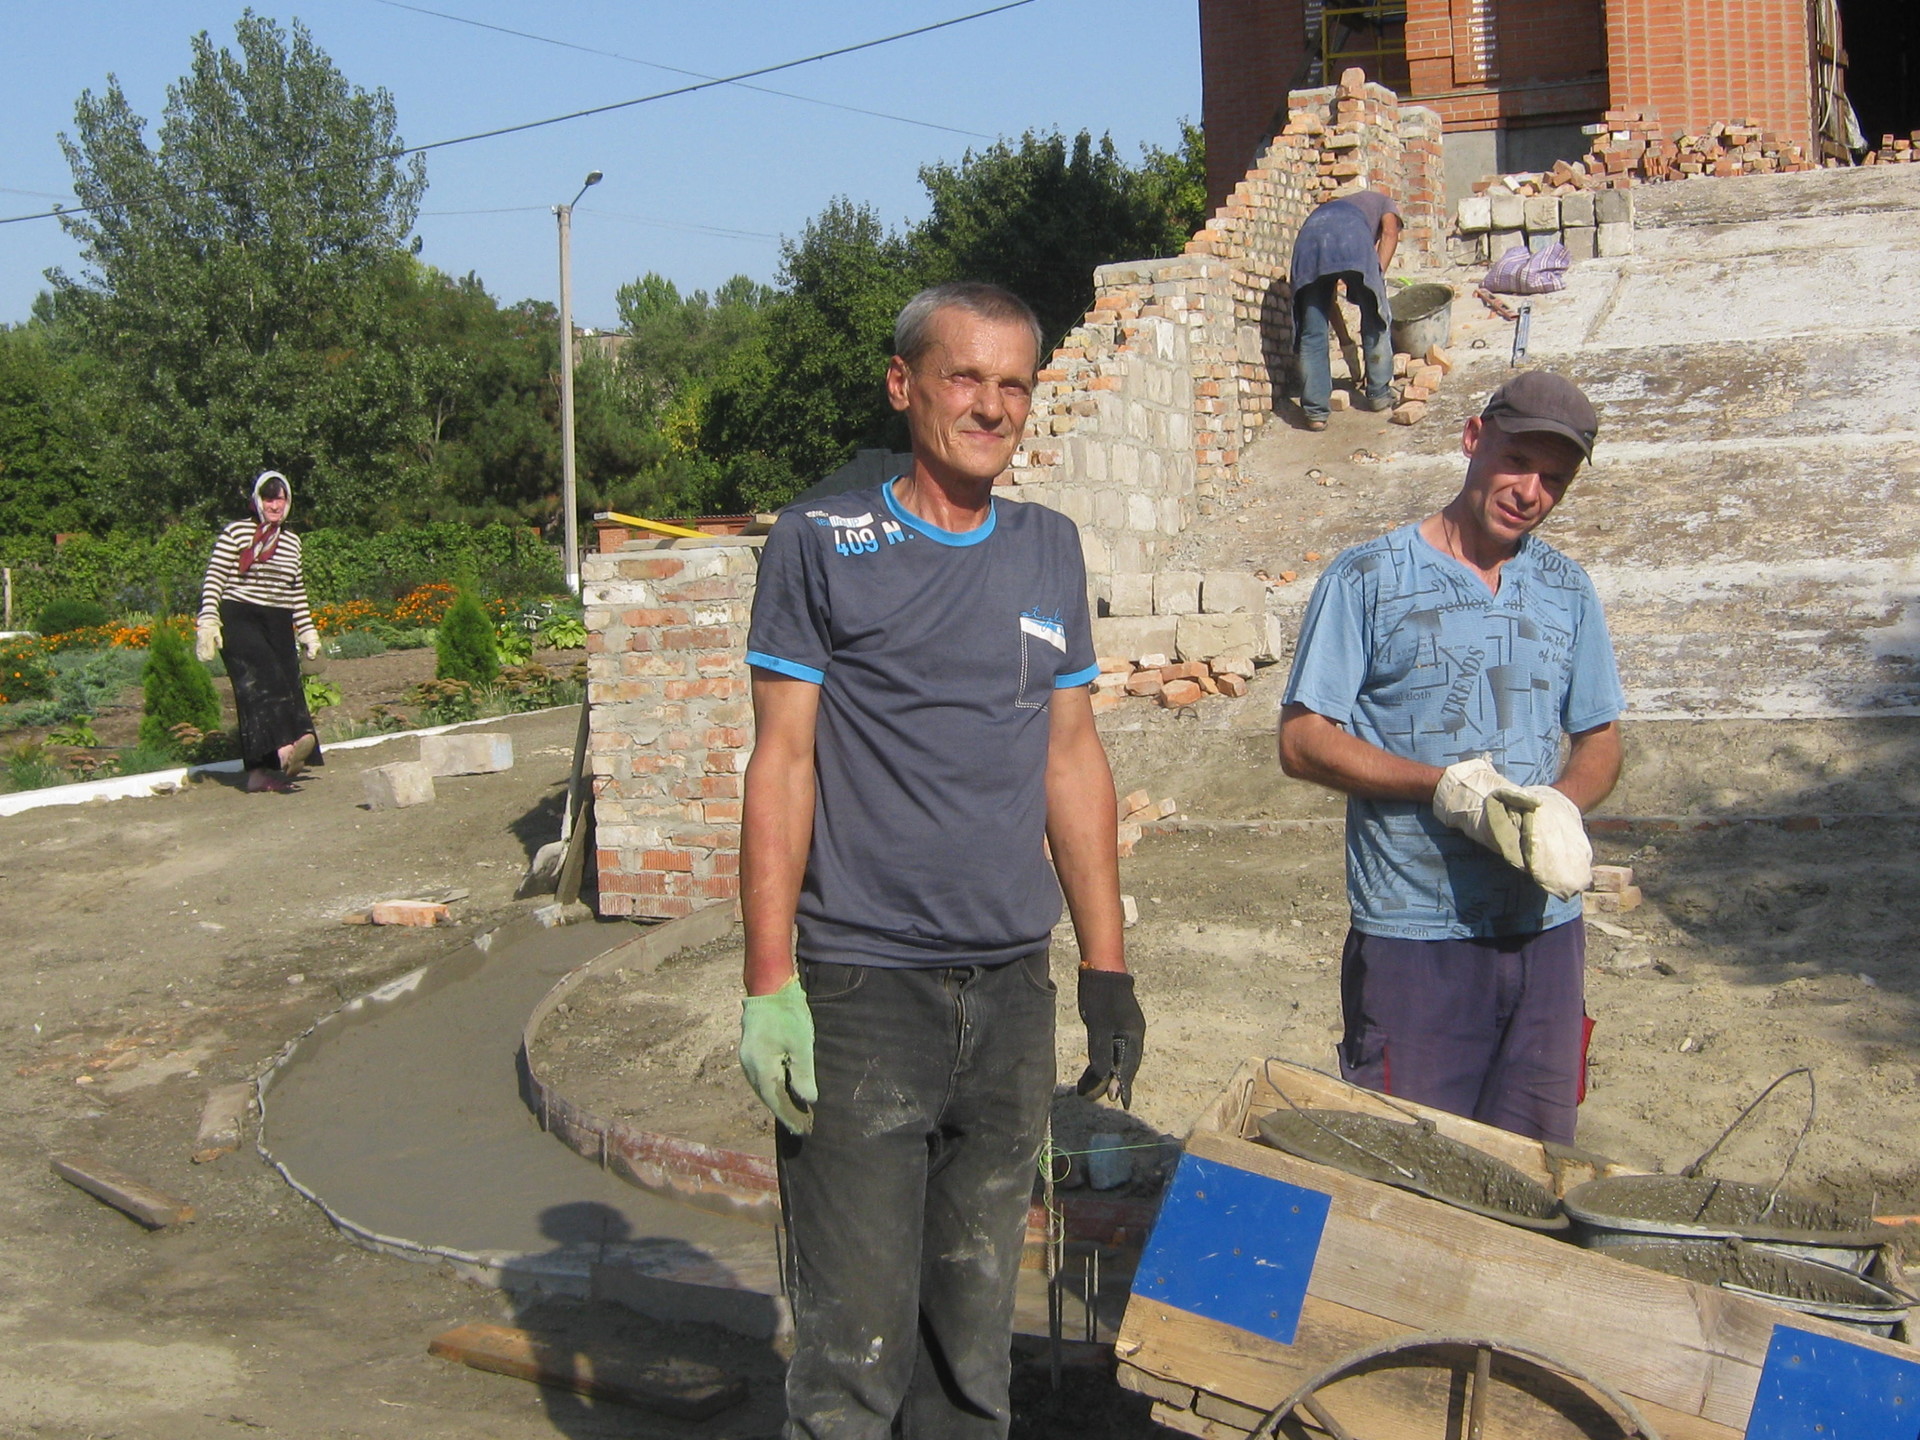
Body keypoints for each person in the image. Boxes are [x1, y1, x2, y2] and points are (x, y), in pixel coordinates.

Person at [738, 281, 1145, 1439]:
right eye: (964, 377)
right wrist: (771, 985)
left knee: (972, 1346)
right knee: (855, 1351)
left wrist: (1105, 968)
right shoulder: (823, 544)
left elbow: (1073, 760)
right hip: (865, 992)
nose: (990, 405)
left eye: (1013, 384)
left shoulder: (1046, 550)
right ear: (904, 384)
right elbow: (782, 765)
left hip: (1011, 991)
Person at [1277, 372, 1622, 1145]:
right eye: (1517, 461)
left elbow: (1600, 739)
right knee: (1413, 1168)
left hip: (1544, 935)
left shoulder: (1568, 590)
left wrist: (1560, 804)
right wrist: (1445, 790)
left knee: (1532, 1171)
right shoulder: (1368, 579)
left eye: (1554, 480)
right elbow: (1301, 740)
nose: (1530, 491)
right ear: (1473, 438)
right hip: (1413, 939)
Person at [196, 471, 322, 794]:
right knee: (263, 679)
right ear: (257, 500)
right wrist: (208, 620)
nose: (275, 504)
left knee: (285, 684)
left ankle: (258, 774)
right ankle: (285, 748)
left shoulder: (292, 543)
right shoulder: (237, 533)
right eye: (268, 497)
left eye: (280, 498)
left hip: (278, 620)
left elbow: (297, 592)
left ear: (288, 502)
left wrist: (308, 633)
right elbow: (214, 577)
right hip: (239, 616)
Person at [1290, 185, 1402, 430]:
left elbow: (1327, 302)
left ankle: (1316, 413)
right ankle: (1379, 393)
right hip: (1351, 239)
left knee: (1312, 331)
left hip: (1308, 242)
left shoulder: (1331, 210)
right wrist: (1376, 277)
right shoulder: (1384, 202)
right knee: (1375, 317)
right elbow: (1390, 233)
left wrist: (1346, 343)